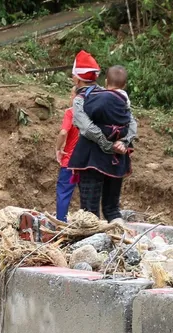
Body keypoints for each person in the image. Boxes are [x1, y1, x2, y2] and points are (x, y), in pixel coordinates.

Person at [67, 64, 137, 223]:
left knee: (89, 211)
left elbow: (85, 126)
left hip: (91, 159)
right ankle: (118, 239)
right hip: (117, 158)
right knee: (112, 209)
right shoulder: (123, 99)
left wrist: (105, 144)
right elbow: (132, 123)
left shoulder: (82, 99)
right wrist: (124, 143)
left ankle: (92, 242)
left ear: (77, 79)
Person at [55, 87, 80, 222]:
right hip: (88, 164)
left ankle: (60, 224)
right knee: (88, 196)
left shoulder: (71, 113)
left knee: (64, 193)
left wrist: (58, 148)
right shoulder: (93, 112)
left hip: (70, 163)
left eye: (71, 94)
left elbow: (64, 132)